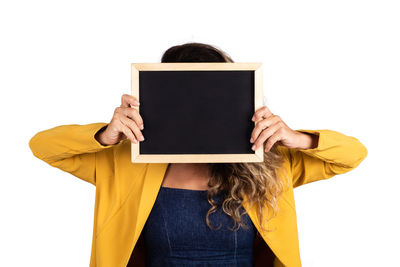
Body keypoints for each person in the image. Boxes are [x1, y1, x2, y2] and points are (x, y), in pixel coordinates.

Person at [28, 42, 368, 267]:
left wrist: (299, 138)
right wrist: (105, 134)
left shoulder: (266, 160)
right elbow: (42, 146)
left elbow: (353, 155)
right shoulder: (123, 159)